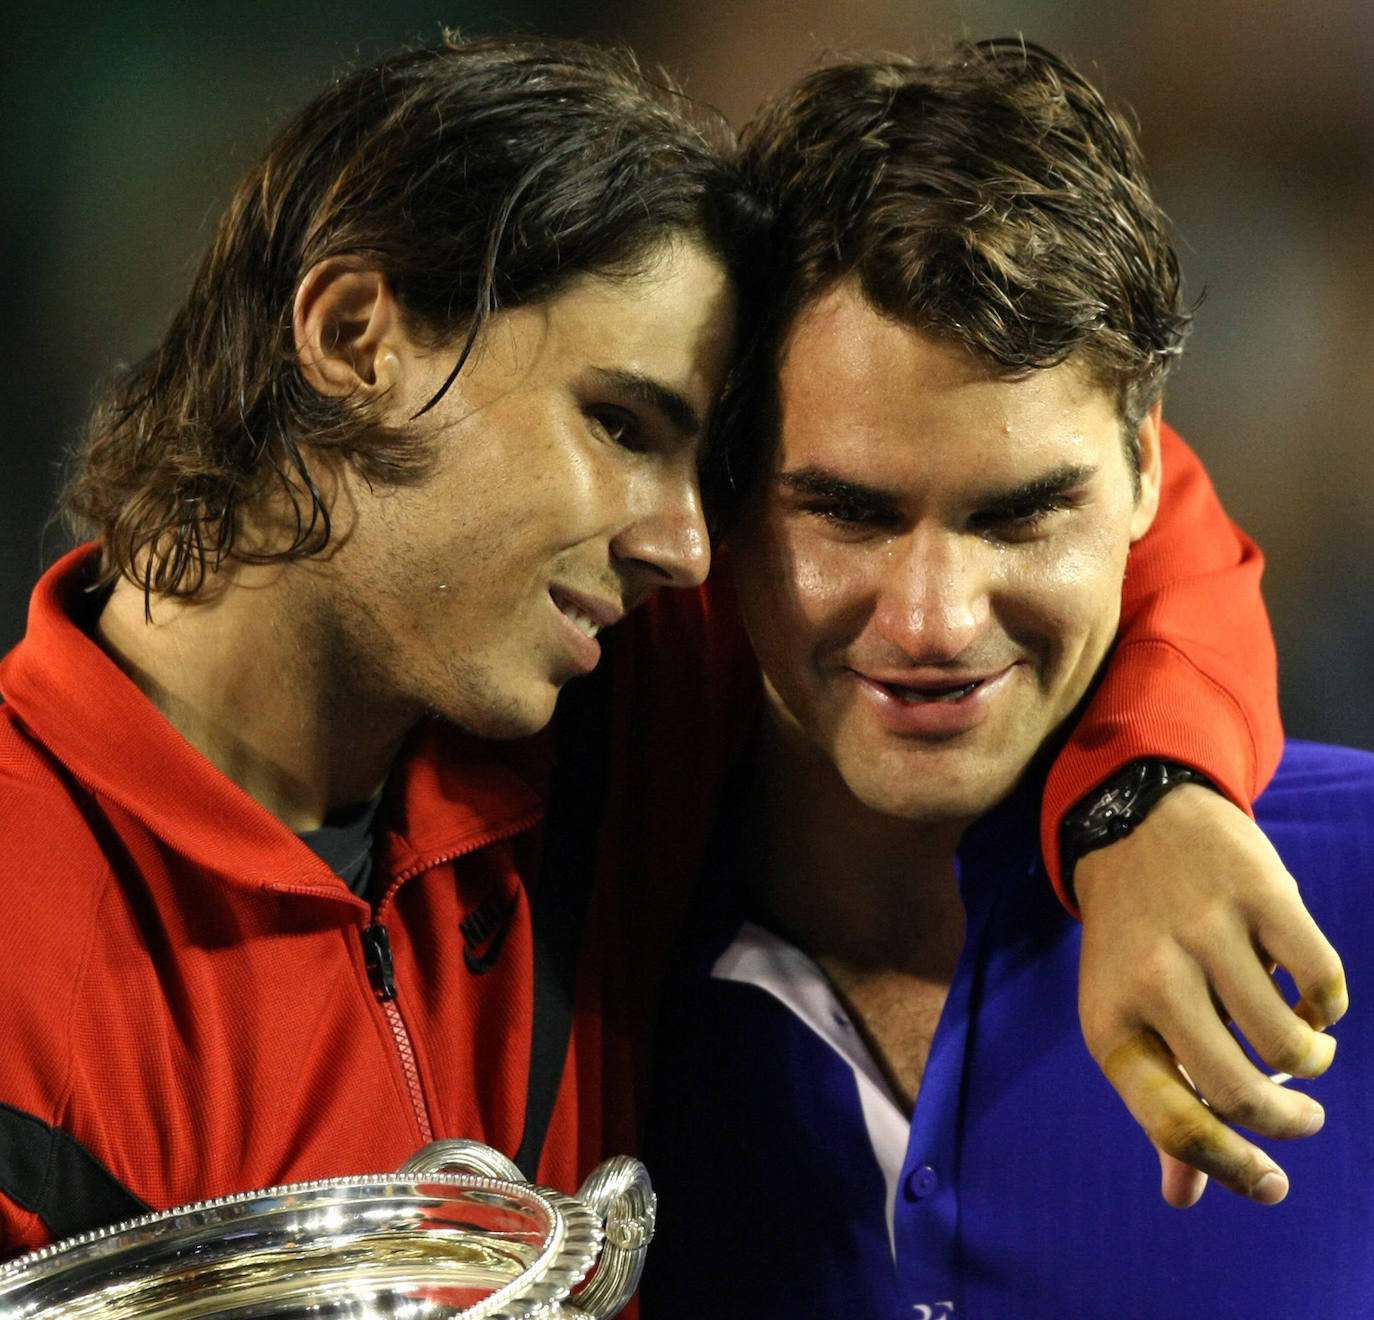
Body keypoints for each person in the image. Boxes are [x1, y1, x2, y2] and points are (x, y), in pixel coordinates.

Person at [0, 25, 1334, 1289]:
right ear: (355, 336)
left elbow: (1100, 505)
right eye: (622, 423)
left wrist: (1142, 803)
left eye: (705, 459)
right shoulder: (28, 931)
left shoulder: (597, 688)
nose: (689, 547)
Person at [640, 39, 1374, 1317]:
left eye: (1023, 515)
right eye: (848, 516)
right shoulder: (551, 918)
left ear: (1150, 470)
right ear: (725, 486)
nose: (933, 622)